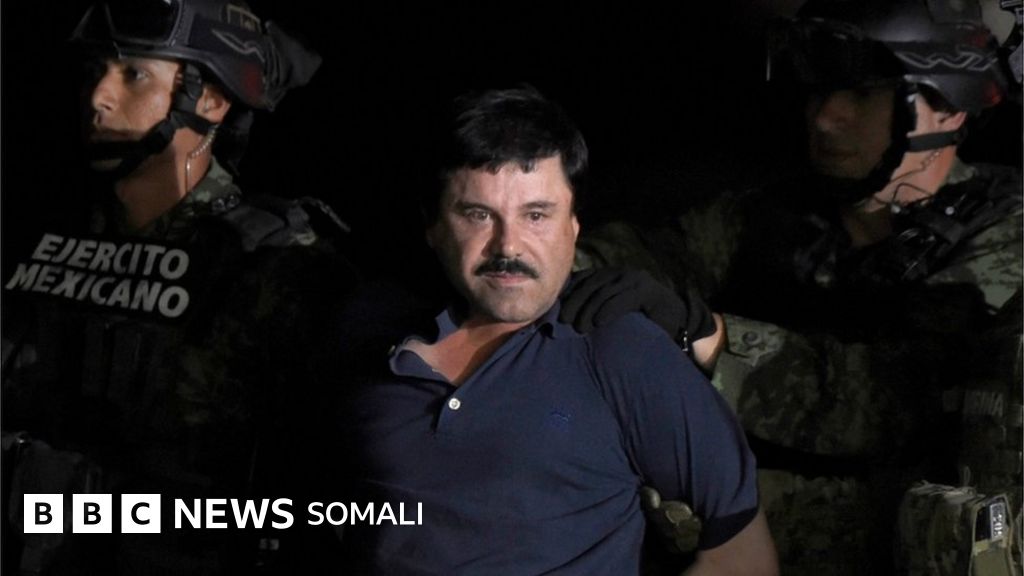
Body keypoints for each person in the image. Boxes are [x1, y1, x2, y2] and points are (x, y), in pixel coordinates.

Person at [576, 0, 1022, 574]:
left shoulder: (1003, 235)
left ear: (949, 107)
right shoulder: (782, 213)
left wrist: (709, 337)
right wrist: (544, 261)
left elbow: (894, 403)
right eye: (819, 91)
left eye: (861, 93)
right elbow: (652, 255)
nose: (826, 118)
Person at [334, 85, 777, 575]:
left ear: (573, 224)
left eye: (536, 215)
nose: (509, 246)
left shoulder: (622, 352)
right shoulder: (369, 339)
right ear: (435, 226)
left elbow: (743, 560)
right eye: (478, 214)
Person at [2, 0, 355, 573]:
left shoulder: (276, 268)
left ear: (210, 100)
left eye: (134, 74)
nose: (99, 97)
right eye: (95, 71)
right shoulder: (36, 238)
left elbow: (309, 507)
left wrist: (73, 501)